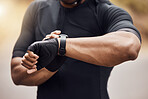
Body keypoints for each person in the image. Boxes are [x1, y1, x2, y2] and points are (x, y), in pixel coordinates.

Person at [11, 0, 141, 99]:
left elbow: (129, 46)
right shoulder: (38, 9)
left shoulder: (104, 11)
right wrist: (50, 64)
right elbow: (17, 74)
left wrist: (61, 46)